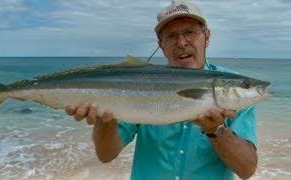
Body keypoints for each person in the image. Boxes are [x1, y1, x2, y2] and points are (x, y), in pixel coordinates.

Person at [65, 1, 258, 179]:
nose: (181, 43)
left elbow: (247, 169)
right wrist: (105, 120)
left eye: (190, 32)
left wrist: (216, 129)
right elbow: (106, 154)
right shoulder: (138, 82)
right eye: (171, 36)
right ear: (161, 45)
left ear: (206, 37)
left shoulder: (233, 87)